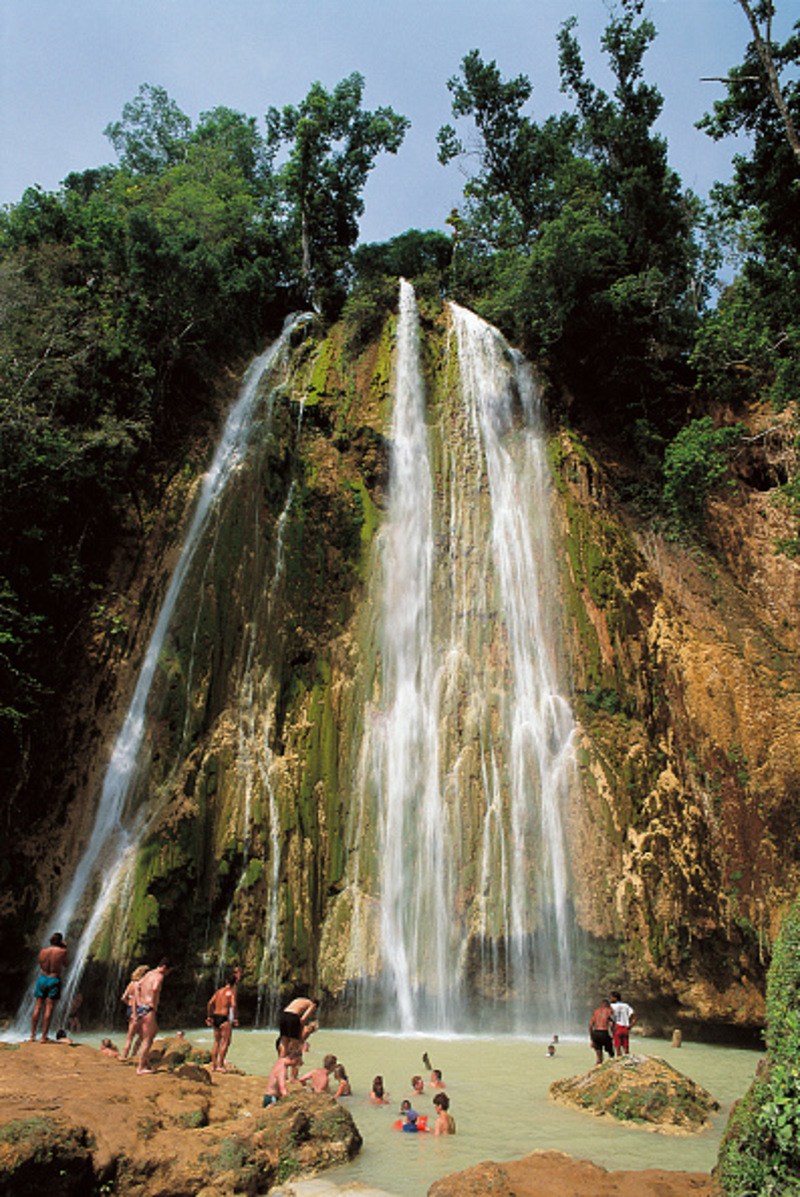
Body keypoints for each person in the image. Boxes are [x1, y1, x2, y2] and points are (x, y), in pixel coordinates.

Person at [135, 958, 173, 1075]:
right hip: (149, 1008)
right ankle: (140, 1068)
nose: (168, 974)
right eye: (169, 971)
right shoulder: (159, 976)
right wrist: (154, 1003)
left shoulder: (148, 973)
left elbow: (137, 986)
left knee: (153, 1031)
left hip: (141, 1007)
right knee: (147, 1039)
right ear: (164, 968)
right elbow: (155, 988)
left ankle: (145, 1062)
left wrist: (138, 1002)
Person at [30, 932, 69, 1043]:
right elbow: (66, 964)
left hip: (42, 978)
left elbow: (41, 964)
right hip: (54, 979)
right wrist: (64, 948)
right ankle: (44, 1037)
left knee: (37, 1006)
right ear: (61, 941)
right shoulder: (62, 952)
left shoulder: (43, 951)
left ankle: (32, 1036)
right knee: (49, 1007)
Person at [206, 972, 239, 1072]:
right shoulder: (231, 992)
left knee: (216, 1042)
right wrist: (235, 1018)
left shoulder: (219, 991)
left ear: (226, 981)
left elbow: (210, 1003)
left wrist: (209, 1016)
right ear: (235, 983)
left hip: (216, 1016)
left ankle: (214, 1066)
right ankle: (220, 1065)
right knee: (225, 1042)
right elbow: (233, 1005)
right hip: (224, 1018)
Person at [121, 964, 149, 1060]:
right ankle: (133, 1055)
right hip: (138, 1010)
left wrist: (129, 1004)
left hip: (130, 1009)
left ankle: (124, 1056)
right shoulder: (140, 985)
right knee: (142, 1036)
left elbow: (123, 998)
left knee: (130, 1036)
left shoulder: (131, 983)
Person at [610, 989, 636, 1057]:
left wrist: (611, 1027)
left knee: (618, 1049)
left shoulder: (612, 1006)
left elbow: (609, 1017)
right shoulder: (626, 1005)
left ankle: (620, 1063)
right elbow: (634, 1016)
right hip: (625, 1028)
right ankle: (627, 1062)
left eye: (611, 997)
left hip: (617, 1027)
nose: (610, 999)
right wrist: (631, 1025)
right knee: (626, 1048)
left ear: (615, 998)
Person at [589, 998, 615, 1065]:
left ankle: (596, 1069)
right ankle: (612, 1067)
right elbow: (611, 1024)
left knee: (599, 1058)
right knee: (611, 1053)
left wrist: (592, 1039)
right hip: (604, 1032)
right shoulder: (609, 1010)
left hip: (596, 1033)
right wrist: (613, 1035)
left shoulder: (595, 1011)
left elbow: (590, 1026)